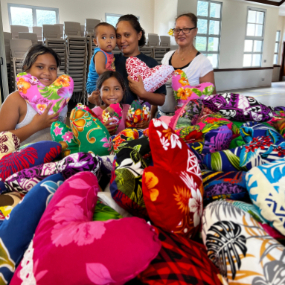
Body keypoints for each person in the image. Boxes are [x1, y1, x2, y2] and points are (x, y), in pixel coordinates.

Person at [90, 14, 166, 110]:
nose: (122, 41)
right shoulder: (110, 61)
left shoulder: (151, 63)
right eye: (118, 36)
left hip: (138, 121)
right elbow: (95, 90)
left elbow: (161, 100)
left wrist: (143, 94)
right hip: (113, 120)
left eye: (127, 35)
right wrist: (92, 97)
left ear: (139, 35)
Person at [0, 44, 68, 145]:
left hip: (56, 158)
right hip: (24, 159)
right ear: (27, 69)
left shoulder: (61, 98)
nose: (47, 73)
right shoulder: (15, 99)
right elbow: (2, 140)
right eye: (40, 67)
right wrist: (35, 126)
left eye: (52, 68)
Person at [154, 12, 216, 118]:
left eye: (186, 29)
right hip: (160, 117)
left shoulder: (202, 63)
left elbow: (211, 100)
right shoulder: (167, 57)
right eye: (177, 29)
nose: (180, 33)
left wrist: (189, 110)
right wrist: (151, 116)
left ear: (195, 31)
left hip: (186, 122)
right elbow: (157, 90)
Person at [91, 71, 130, 135]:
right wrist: (101, 131)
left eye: (116, 89)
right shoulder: (93, 114)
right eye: (106, 89)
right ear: (99, 91)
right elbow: (90, 137)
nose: (112, 94)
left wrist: (143, 125)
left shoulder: (129, 110)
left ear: (123, 90)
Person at [86, 22, 116, 104]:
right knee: (104, 105)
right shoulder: (100, 53)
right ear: (96, 42)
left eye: (112, 37)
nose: (109, 40)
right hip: (95, 86)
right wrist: (114, 73)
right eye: (103, 37)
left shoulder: (109, 53)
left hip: (103, 84)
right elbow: (100, 70)